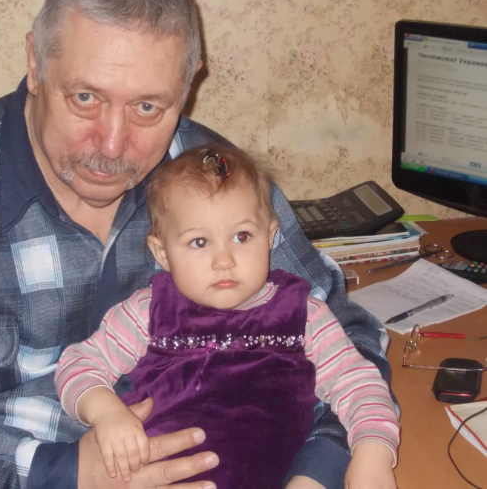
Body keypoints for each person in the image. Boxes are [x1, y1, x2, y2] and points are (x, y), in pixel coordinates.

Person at [0, 0, 395, 488]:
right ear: (36, 63)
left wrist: (320, 466)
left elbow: (343, 334)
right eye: (85, 97)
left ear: (189, 83)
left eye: (147, 107)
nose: (113, 145)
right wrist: (65, 473)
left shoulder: (212, 183)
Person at [55, 146, 400, 488]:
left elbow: (360, 384)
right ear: (162, 253)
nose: (224, 260)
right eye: (199, 242)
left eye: (242, 236)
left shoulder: (304, 315)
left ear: (270, 236)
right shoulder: (146, 312)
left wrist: (374, 452)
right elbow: (78, 365)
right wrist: (106, 412)